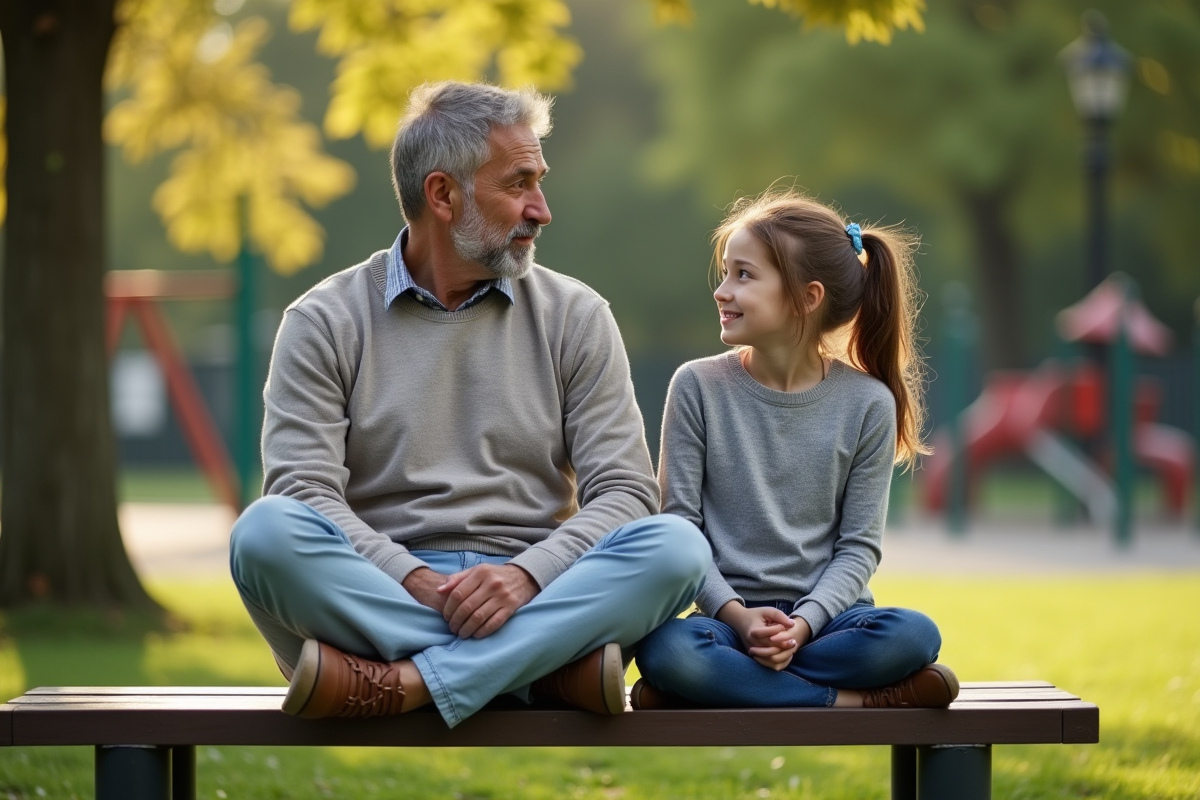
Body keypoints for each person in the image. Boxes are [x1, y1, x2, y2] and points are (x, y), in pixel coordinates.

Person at [228, 81, 709, 728]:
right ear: (443, 194)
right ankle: (540, 671)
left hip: (534, 587)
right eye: (518, 184)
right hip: (383, 587)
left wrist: (525, 578)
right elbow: (304, 492)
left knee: (677, 547)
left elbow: (624, 493)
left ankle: (407, 683)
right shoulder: (323, 320)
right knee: (262, 534)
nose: (541, 210)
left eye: (539, 182)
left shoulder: (577, 316)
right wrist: (416, 580)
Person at [633, 189, 958, 710]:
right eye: (724, 273)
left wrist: (802, 626)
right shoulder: (696, 386)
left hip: (830, 623)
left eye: (744, 275)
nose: (722, 290)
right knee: (668, 650)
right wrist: (739, 617)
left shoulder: (868, 404)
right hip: (727, 622)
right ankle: (850, 702)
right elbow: (681, 529)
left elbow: (858, 549)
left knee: (914, 634)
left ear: (807, 298)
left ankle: (723, 686)